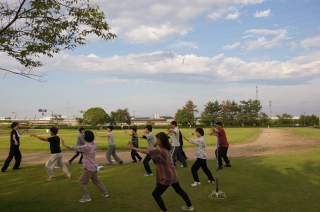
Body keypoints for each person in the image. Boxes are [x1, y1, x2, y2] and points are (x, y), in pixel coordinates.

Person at [128, 132, 194, 211]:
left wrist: (134, 148)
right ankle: (190, 206)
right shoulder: (167, 149)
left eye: (158, 139)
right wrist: (155, 144)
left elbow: (148, 151)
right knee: (179, 190)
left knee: (155, 194)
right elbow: (152, 151)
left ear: (162, 140)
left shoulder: (161, 151)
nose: (156, 141)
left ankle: (164, 210)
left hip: (167, 177)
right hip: (173, 174)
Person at [61, 130, 109, 202]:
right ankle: (105, 193)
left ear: (86, 137)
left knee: (81, 182)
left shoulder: (86, 146)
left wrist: (65, 145)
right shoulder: (95, 144)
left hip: (89, 168)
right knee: (96, 181)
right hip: (94, 166)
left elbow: (75, 148)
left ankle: (87, 197)